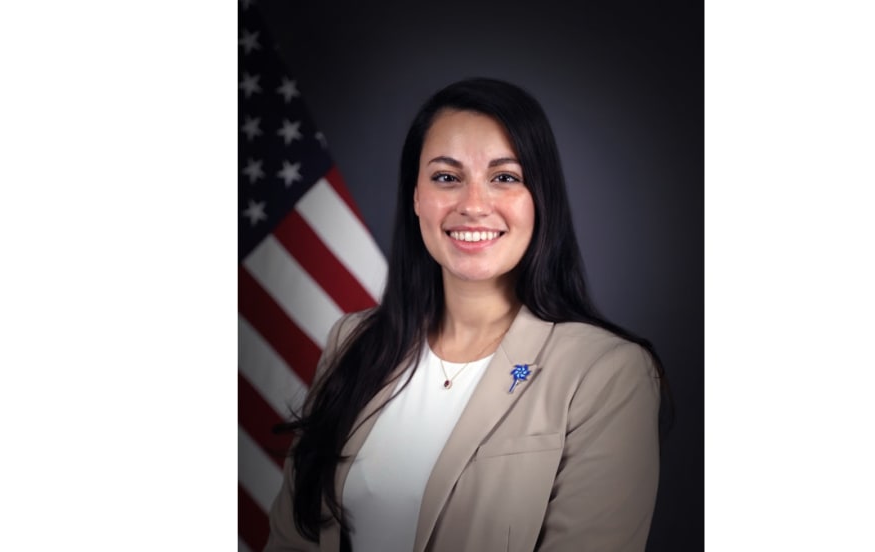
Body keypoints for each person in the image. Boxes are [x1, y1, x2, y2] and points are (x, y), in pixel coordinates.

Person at [265, 77, 666, 552]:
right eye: (446, 177)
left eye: (504, 177)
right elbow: (292, 538)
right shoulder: (353, 342)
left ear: (541, 198)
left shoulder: (607, 372)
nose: (474, 205)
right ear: (416, 197)